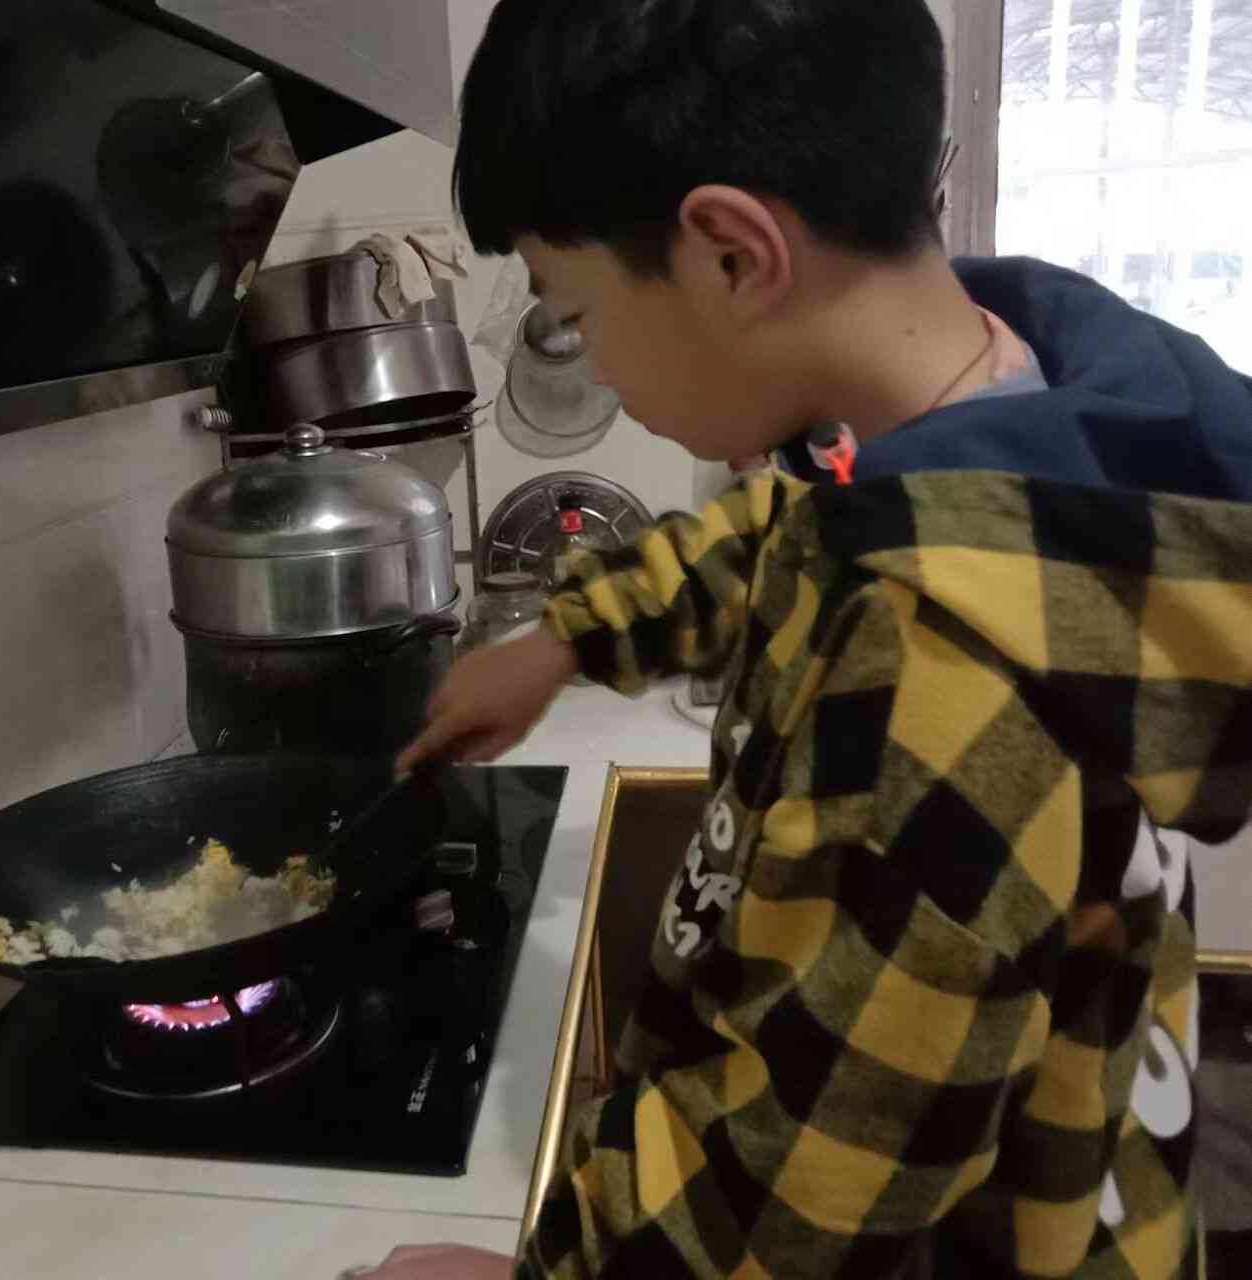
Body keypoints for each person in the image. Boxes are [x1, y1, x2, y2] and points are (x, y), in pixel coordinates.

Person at [363, 1, 1252, 1277]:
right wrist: (563, 639)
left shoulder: (939, 669)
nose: (593, 365)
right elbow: (783, 536)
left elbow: (806, 1208)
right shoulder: (1021, 433)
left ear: (730, 254)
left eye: (575, 312)